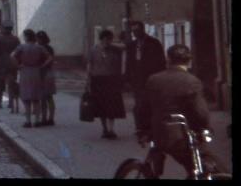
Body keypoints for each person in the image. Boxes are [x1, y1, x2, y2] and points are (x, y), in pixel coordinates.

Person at [136, 44, 226, 178]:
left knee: (193, 167)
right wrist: (205, 129)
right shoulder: (192, 81)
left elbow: (142, 109)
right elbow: (200, 112)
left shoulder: (154, 79)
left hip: (159, 134)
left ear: (168, 60)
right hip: (181, 138)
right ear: (189, 61)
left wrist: (143, 131)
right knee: (213, 166)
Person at [125, 21, 166, 135]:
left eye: (137, 30)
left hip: (152, 78)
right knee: (138, 104)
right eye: (133, 31)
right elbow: (129, 63)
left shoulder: (154, 43)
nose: (135, 33)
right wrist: (127, 79)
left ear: (142, 30)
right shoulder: (131, 45)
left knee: (152, 103)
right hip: (137, 80)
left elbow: (161, 61)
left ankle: (152, 126)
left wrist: (160, 77)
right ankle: (140, 127)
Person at [86, 28, 125, 139]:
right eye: (107, 39)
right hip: (98, 80)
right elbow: (89, 65)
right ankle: (104, 129)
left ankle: (111, 129)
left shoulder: (115, 49)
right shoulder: (93, 50)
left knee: (112, 106)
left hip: (112, 80)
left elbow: (125, 48)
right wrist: (88, 79)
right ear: (101, 39)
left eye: (110, 39)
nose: (108, 42)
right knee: (101, 106)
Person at [11, 29, 51, 128]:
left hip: (25, 71)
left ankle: (28, 121)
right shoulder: (39, 47)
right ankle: (37, 121)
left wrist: (18, 65)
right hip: (36, 72)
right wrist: (42, 65)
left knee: (26, 98)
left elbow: (12, 56)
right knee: (36, 98)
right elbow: (50, 58)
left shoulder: (22, 47)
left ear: (26, 37)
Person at [0, 24, 20, 110]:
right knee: (11, 83)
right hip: (13, 63)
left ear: (4, 29)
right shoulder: (16, 39)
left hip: (2, 63)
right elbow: (18, 51)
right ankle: (11, 102)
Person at [36, 30, 56, 126]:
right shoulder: (50, 48)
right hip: (49, 73)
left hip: (44, 73)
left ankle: (44, 118)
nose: (38, 40)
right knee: (49, 97)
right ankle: (50, 118)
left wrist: (42, 66)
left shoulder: (39, 49)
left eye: (39, 39)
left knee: (44, 98)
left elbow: (49, 60)